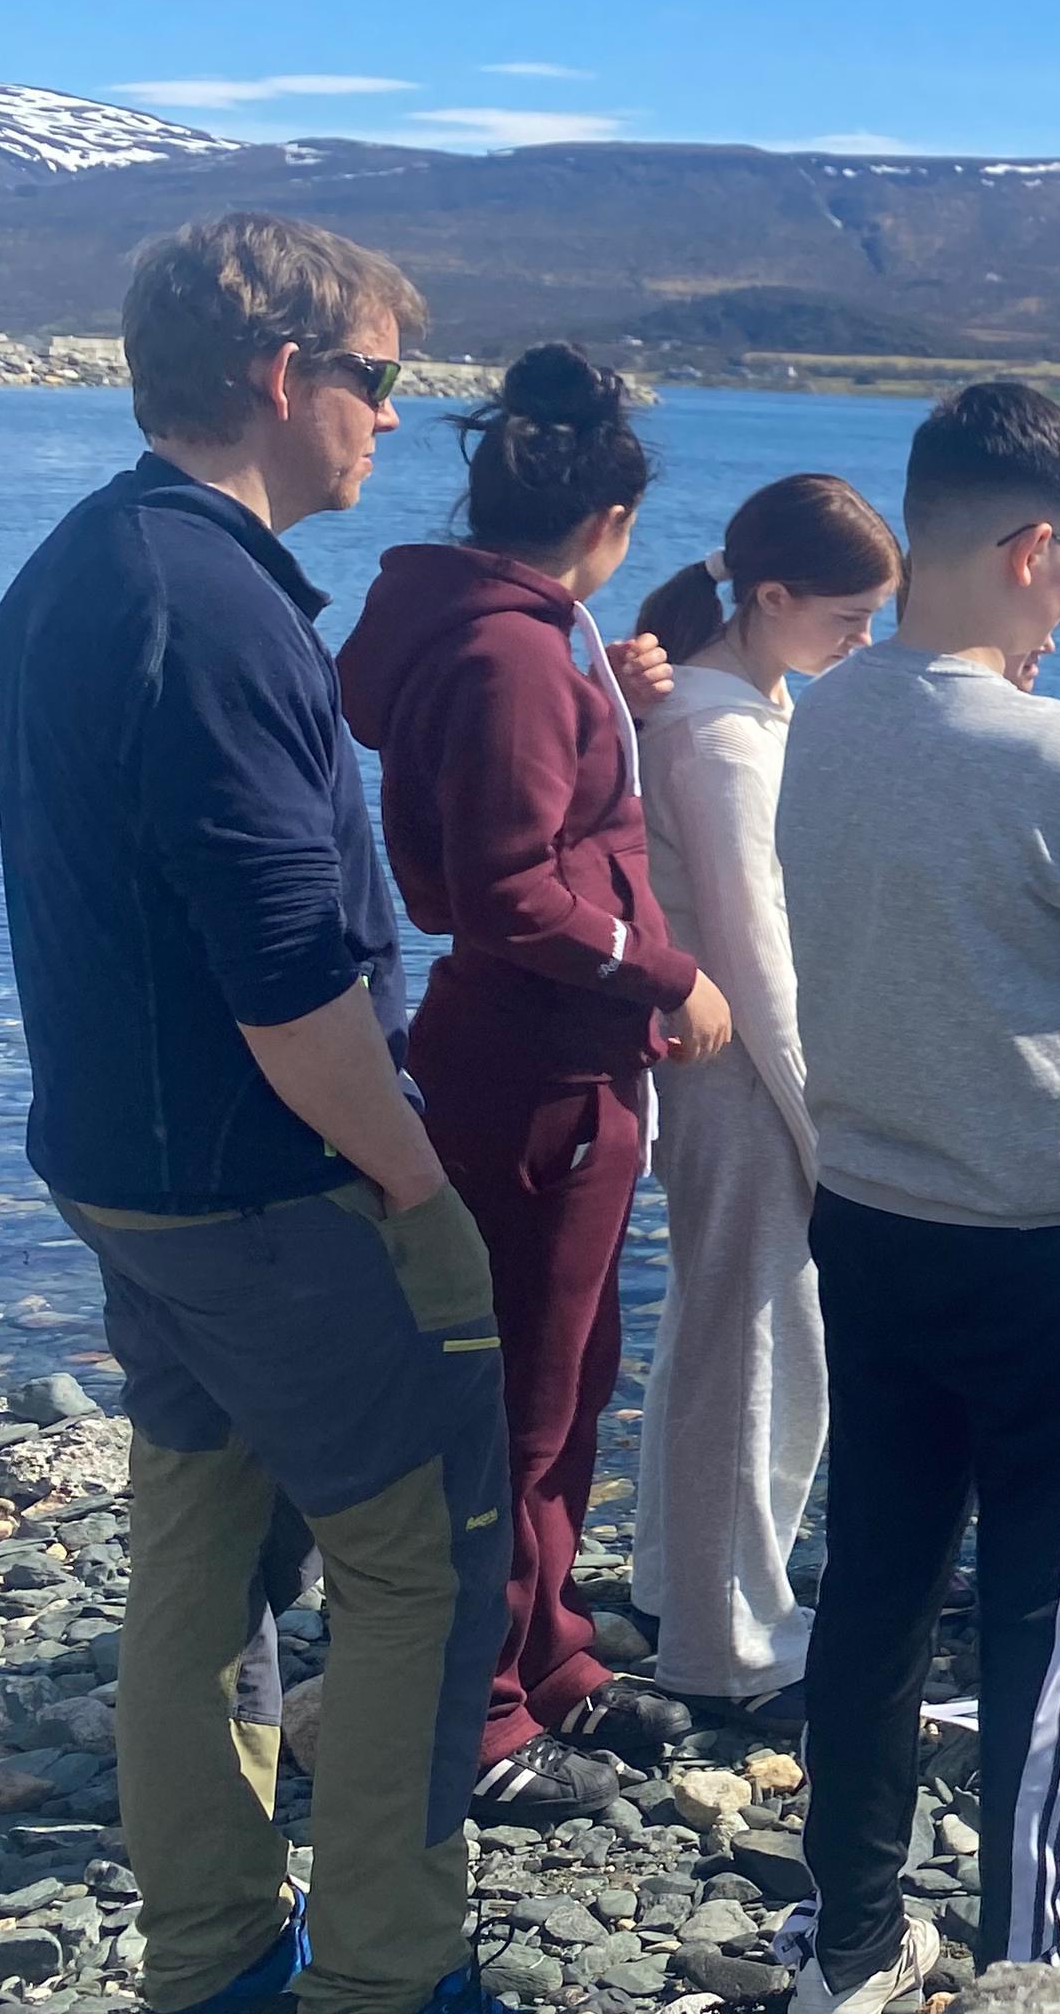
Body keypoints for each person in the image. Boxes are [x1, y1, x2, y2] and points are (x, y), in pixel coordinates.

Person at [0, 211, 517, 2014]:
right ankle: (389, 1977)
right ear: (283, 378)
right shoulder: (208, 609)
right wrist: (420, 1188)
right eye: (376, 380)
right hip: (274, 1194)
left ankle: (215, 1962)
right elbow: (293, 988)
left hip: (133, 1182)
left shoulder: (78, 570)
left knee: (200, 1557)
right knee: (421, 1573)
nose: (389, 418)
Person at [777, 385, 1060, 2010]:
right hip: (1053, 1249)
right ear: (1034, 552)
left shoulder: (816, 712)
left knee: (883, 1575)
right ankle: (1029, 1952)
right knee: (1057, 1609)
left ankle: (847, 1927)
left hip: (862, 1217)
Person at [336, 344, 734, 1825]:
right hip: (537, 1060)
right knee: (518, 1394)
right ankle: (485, 1715)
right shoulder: (511, 653)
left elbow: (528, 797)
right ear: (608, 521)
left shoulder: (518, 637)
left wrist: (606, 688)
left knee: (574, 1376)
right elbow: (507, 891)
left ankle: (550, 1649)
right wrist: (666, 972)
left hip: (554, 1062)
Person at [624, 475, 906, 1731]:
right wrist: (827, 1128)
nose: (862, 643)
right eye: (847, 618)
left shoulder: (745, 703)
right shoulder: (719, 733)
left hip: (732, 1070)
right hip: (744, 1079)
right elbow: (757, 953)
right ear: (772, 597)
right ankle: (729, 1639)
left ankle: (679, 1586)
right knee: (760, 1342)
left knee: (719, 1327)